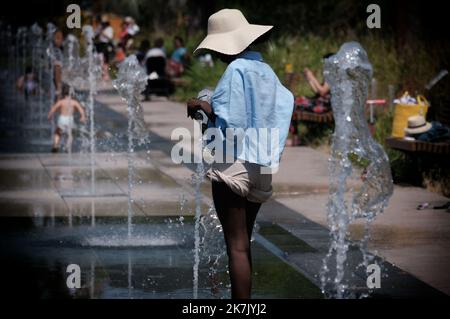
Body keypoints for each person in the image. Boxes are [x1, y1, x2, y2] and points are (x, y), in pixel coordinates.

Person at [186, 9, 294, 299]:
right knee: (244, 244)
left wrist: (199, 104)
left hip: (234, 164)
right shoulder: (267, 72)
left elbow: (226, 122)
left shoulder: (235, 70)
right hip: (263, 167)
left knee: (235, 245)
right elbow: (286, 104)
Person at [47, 84, 86, 153]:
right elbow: (81, 110)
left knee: (57, 133)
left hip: (62, 119)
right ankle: (67, 146)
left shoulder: (61, 102)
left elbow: (53, 109)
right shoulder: (74, 102)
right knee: (70, 134)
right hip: (70, 119)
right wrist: (82, 116)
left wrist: (49, 115)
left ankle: (56, 145)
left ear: (63, 93)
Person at [95, 16, 114, 80]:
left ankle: (106, 75)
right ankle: (101, 74)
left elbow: (110, 37)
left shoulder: (109, 28)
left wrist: (103, 33)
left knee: (105, 60)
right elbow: (95, 35)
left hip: (105, 44)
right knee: (100, 59)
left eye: (104, 23)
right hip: (99, 44)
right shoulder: (99, 27)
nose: (102, 24)